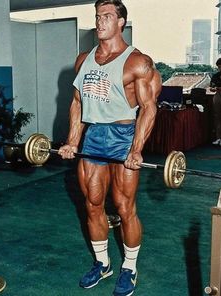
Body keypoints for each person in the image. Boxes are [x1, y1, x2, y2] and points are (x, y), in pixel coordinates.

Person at [58, 0, 162, 295]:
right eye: (97, 16)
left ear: (121, 22)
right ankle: (103, 264)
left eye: (107, 16)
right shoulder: (83, 60)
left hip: (123, 134)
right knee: (92, 203)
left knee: (124, 205)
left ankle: (129, 266)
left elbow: (149, 108)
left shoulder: (136, 62)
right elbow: (77, 103)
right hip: (93, 136)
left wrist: (137, 149)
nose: (100, 21)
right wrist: (72, 141)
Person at [210, 57, 221, 146]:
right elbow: (211, 87)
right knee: (218, 117)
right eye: (219, 67)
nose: (220, 69)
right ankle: (218, 138)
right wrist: (213, 88)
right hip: (217, 96)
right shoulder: (215, 76)